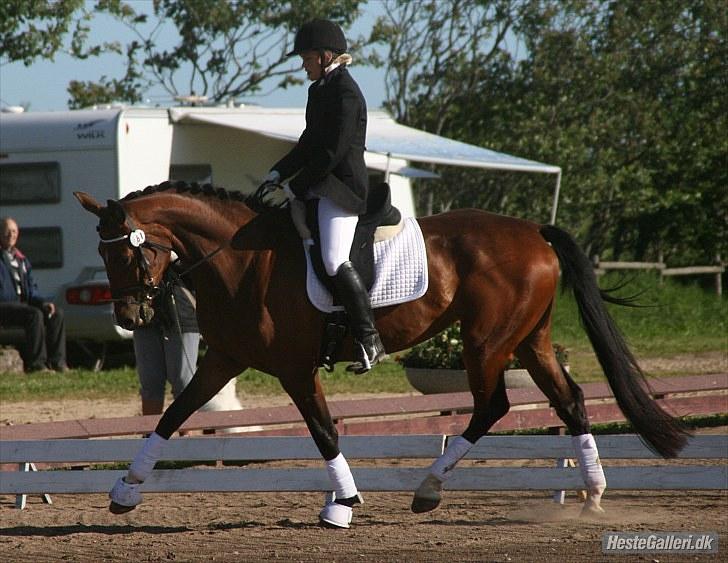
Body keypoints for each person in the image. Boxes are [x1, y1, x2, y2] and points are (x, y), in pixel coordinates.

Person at [258, 18, 386, 374]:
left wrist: (293, 188)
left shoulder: (347, 93)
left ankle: (370, 338)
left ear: (325, 55)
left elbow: (332, 153)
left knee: (332, 260)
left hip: (342, 190)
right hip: (318, 187)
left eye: (306, 58)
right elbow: (308, 144)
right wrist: (276, 173)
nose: (303, 65)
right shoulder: (319, 91)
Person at [133, 262, 243, 421]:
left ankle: (187, 435)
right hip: (146, 315)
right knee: (150, 383)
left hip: (182, 312)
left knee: (183, 382)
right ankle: (149, 434)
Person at [0, 216, 68, 373]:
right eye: (7, 231)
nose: (11, 235)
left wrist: (43, 303)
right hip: (4, 306)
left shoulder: (21, 260)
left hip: (21, 306)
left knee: (56, 313)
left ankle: (58, 362)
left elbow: (32, 289)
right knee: (34, 314)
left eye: (14, 231)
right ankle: (37, 364)